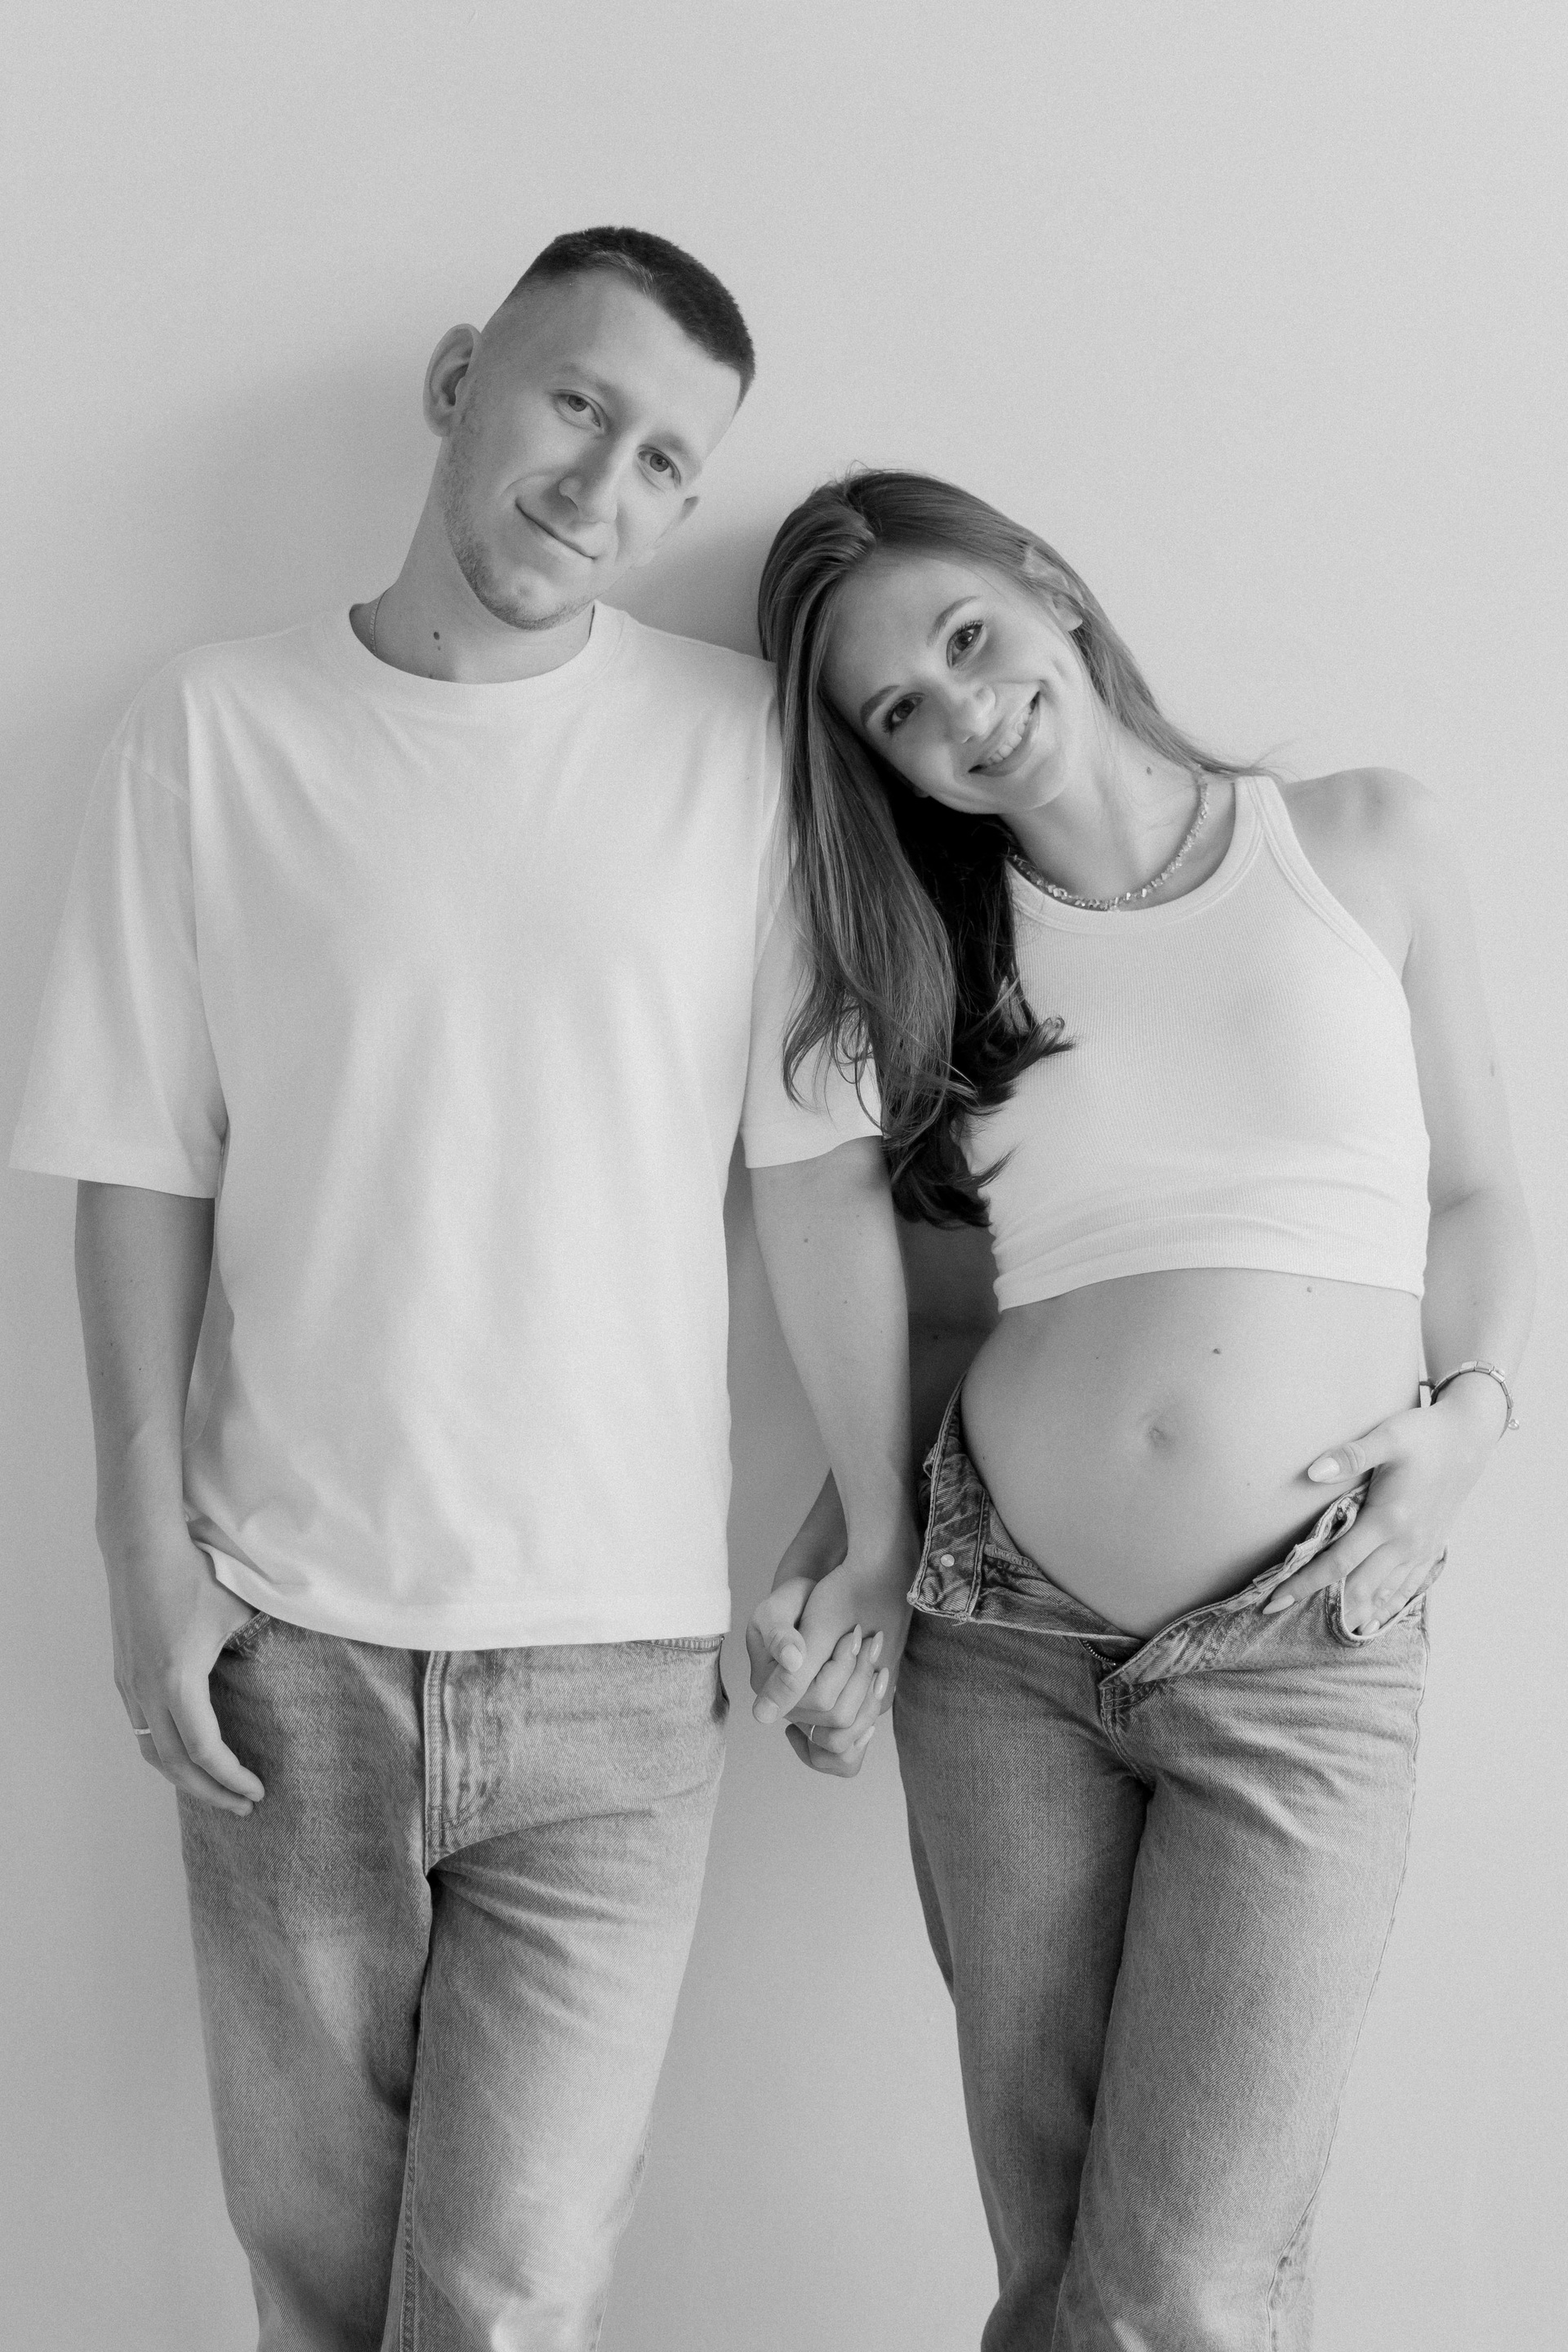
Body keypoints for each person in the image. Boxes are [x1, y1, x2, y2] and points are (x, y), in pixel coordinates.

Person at [10, 233, 915, 2352]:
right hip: (289, 1640)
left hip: (618, 1662)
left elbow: (816, 1179)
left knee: (503, 2297)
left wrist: (880, 1533)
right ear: (456, 381)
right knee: (322, 2291)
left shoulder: (738, 751)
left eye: (666, 460)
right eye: (576, 403)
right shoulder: (211, 731)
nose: (605, 484)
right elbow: (139, 1167)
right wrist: (143, 1560)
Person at [745, 470, 1535, 2347]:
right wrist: (848, 1555)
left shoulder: (1364, 841)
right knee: (1067, 2280)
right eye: (900, 711)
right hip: (999, 1643)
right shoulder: (935, 960)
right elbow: (938, 1308)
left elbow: (1479, 1191)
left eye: (965, 636)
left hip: (1305, 1639)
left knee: (1175, 2284)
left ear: (1047, 585)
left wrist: (1479, 1419)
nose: (962, 710)